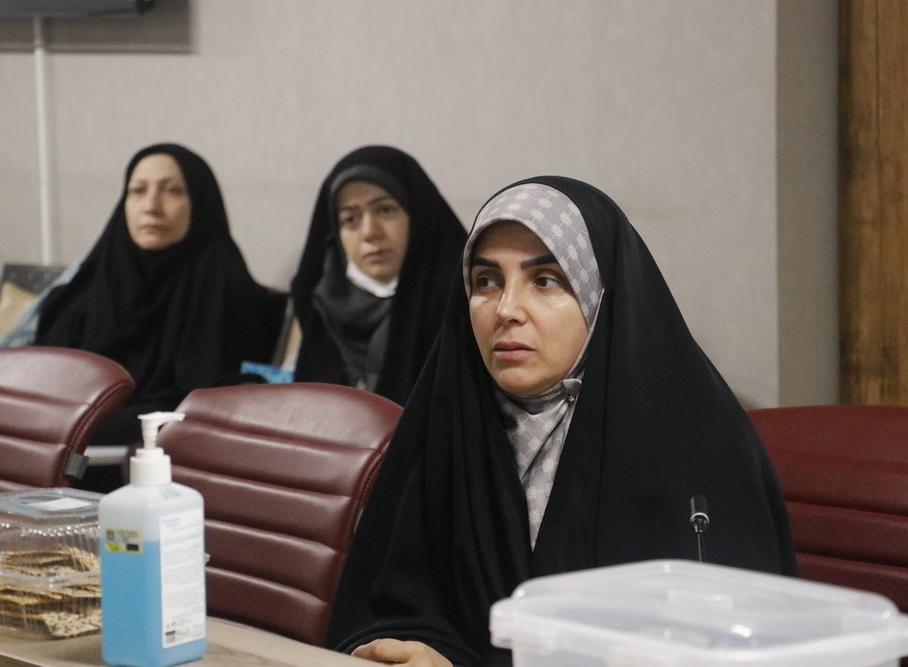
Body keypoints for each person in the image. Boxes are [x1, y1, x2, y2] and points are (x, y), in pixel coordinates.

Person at [325, 176, 797, 666]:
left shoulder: (697, 447)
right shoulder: (446, 425)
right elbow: (389, 606)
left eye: (545, 281)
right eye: (486, 281)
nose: (506, 309)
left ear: (599, 296)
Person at [15, 143, 286, 447]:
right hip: (67, 460)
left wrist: (87, 425)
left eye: (171, 191)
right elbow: (42, 397)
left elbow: (209, 410)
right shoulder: (83, 293)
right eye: (138, 190)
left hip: (172, 461)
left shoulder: (226, 290)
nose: (151, 206)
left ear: (200, 202)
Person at [289, 146, 466, 404]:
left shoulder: (462, 305)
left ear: (418, 215)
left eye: (385, 210)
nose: (370, 232)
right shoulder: (320, 301)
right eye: (350, 219)